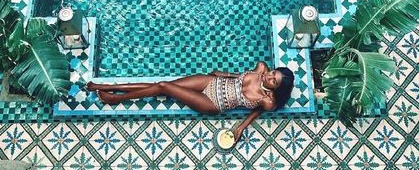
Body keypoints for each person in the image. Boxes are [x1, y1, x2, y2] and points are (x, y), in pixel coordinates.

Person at [87, 62, 294, 143]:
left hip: (212, 102)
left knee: (162, 87)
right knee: (160, 84)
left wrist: (240, 128)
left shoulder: (267, 102)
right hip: (212, 81)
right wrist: (224, 73)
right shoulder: (260, 68)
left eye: (273, 81)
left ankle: (114, 97)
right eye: (273, 73)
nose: (269, 77)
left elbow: (257, 111)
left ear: (277, 88)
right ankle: (106, 86)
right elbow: (239, 76)